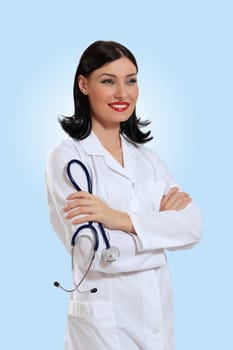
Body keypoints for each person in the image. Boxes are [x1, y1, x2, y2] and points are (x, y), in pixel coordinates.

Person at [46, 40, 202, 350]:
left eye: (131, 80)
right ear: (84, 84)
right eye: (108, 81)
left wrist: (115, 218)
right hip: (103, 324)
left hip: (157, 317)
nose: (123, 93)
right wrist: (159, 232)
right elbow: (97, 254)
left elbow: (192, 228)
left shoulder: (148, 159)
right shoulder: (67, 158)